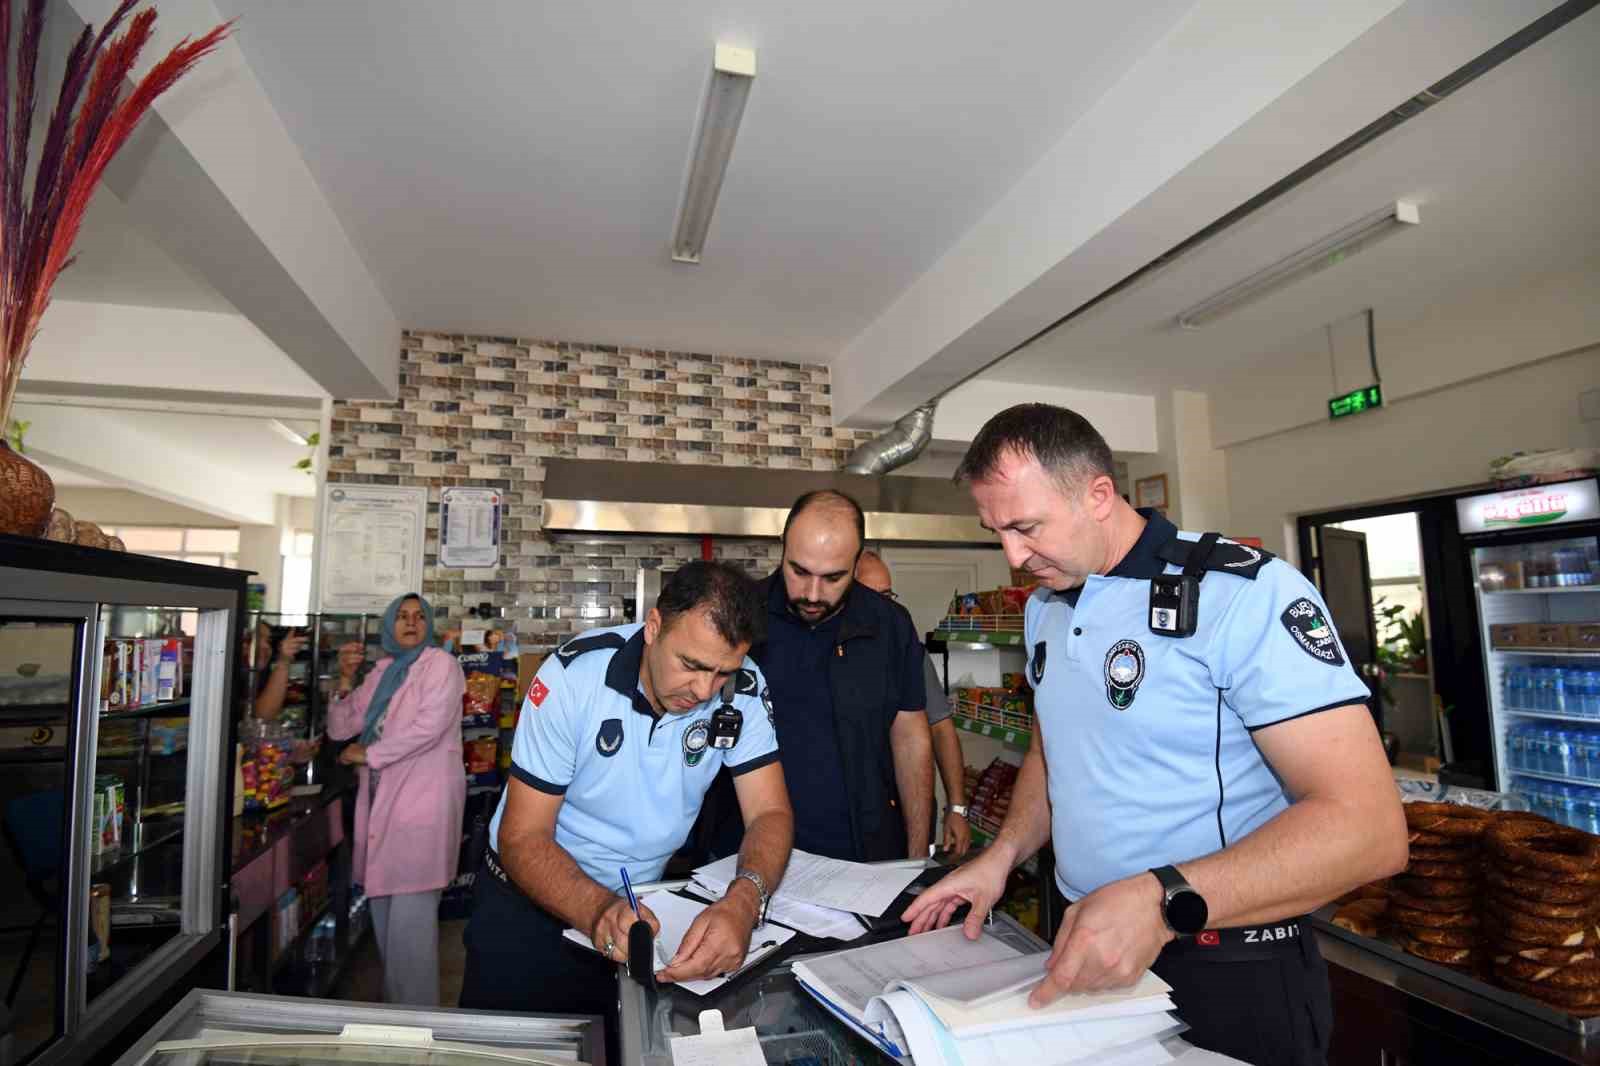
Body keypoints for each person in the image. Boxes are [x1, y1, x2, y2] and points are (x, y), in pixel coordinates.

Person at [904, 404, 1407, 1066]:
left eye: (1026, 527)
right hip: (1088, 946)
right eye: (996, 531)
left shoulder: (1242, 594)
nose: (1013, 556)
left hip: (1227, 968)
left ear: (1099, 496)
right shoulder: (1047, 610)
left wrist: (1160, 901)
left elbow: (1369, 832)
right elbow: (1058, 751)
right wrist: (1002, 856)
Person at [458, 561, 792, 1029]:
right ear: (653, 627)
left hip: (642, 915)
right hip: (528, 910)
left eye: (722, 673)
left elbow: (770, 812)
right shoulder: (571, 678)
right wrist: (596, 909)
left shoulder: (745, 688)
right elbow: (523, 836)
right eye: (691, 665)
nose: (703, 690)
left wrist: (744, 900)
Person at [705, 491, 932, 863]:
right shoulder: (742, 616)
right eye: (799, 571)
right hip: (745, 854)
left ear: (858, 562)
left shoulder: (890, 626)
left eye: (833, 578)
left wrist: (916, 856)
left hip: (863, 857)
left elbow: (910, 736)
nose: (812, 594)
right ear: (783, 547)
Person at [327, 593, 465, 1006]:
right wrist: (345, 681)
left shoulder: (441, 665)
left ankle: (419, 1023)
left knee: (411, 926)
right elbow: (340, 728)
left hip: (422, 801)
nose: (411, 623)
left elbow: (430, 728)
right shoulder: (385, 671)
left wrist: (368, 754)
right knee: (385, 915)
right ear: (390, 625)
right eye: (402, 617)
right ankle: (398, 1016)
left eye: (419, 616)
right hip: (382, 801)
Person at [854, 550, 971, 857]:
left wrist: (957, 807)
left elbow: (941, 729)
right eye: (873, 597)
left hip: (910, 814)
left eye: (888, 595)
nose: (886, 608)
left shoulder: (910, 654)